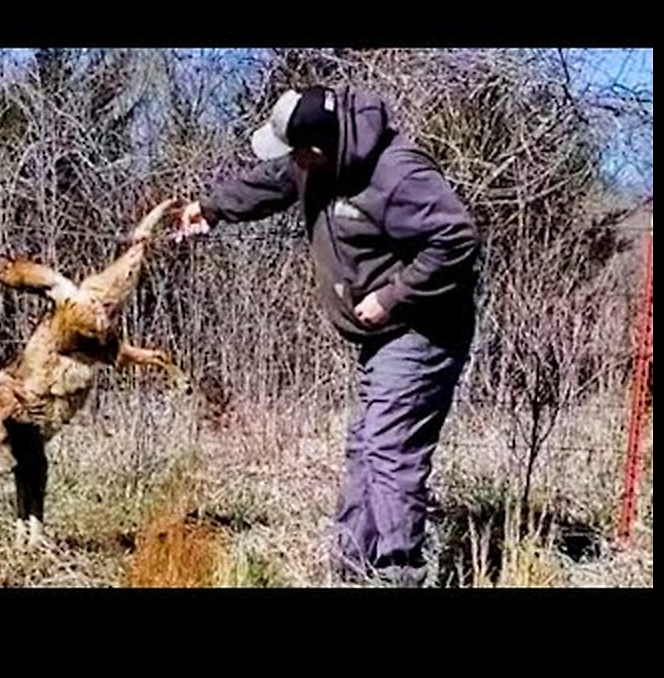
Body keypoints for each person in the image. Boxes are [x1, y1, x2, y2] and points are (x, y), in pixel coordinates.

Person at [178, 85, 480, 586]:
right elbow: (271, 181)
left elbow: (456, 239)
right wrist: (212, 209)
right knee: (367, 447)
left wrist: (392, 296)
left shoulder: (398, 174)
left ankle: (398, 571)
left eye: (296, 153)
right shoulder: (315, 163)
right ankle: (352, 569)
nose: (291, 163)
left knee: (388, 446)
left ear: (317, 149)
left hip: (423, 329)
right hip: (382, 337)